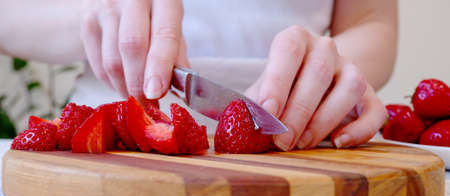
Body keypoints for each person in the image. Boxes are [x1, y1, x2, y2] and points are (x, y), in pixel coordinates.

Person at [0, 0, 397, 151]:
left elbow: (371, 21)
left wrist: (333, 65)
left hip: (299, 139)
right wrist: (90, 16)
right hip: (109, 150)